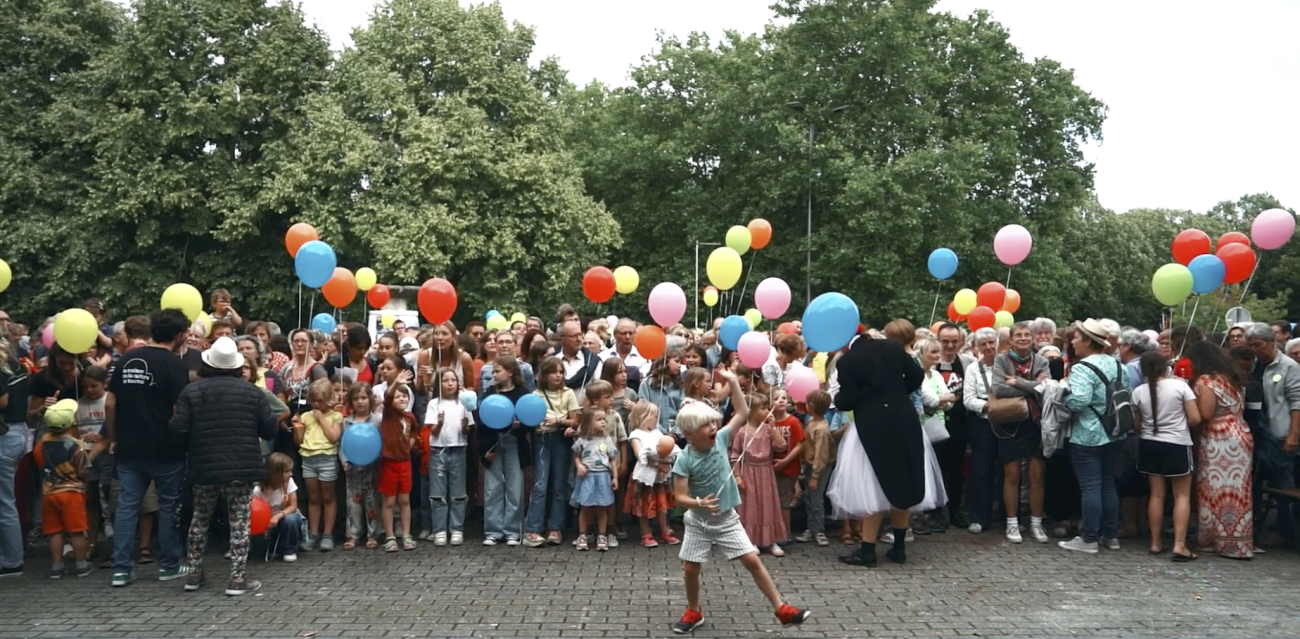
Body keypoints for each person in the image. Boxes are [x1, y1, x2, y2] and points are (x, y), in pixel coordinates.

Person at [670, 371, 810, 634]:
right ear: (689, 434)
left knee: (753, 560)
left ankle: (781, 608)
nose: (713, 428)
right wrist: (699, 503)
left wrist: (733, 383)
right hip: (698, 521)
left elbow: (743, 414)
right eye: (706, 426)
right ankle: (693, 610)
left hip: (726, 519)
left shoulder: (722, 439)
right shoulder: (684, 460)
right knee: (690, 568)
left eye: (713, 423)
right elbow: (679, 497)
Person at [170, 336, 279, 595]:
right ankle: (237, 579)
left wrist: (191, 446)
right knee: (239, 520)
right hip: (242, 466)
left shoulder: (191, 391)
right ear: (235, 365)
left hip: (203, 465)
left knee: (200, 518)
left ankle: (194, 574)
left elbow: (178, 428)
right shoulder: (252, 392)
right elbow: (269, 427)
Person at [829, 330, 933, 568]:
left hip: (871, 423)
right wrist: (897, 392)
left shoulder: (848, 360)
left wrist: (864, 397)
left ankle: (867, 550)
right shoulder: (894, 348)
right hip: (904, 418)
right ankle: (899, 547)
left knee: (871, 487)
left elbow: (846, 400)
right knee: (904, 478)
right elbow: (917, 375)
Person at [105, 308, 192, 587]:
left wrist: (114, 436)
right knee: (168, 507)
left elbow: (110, 402)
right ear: (178, 336)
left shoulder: (127, 359)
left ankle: (121, 569)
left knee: (127, 507)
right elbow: (179, 410)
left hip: (129, 446)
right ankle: (168, 565)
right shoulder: (175, 365)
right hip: (165, 448)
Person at [1060, 319, 1129, 555]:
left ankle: (1089, 538)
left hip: (1088, 434)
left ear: (1088, 341)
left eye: (1077, 337)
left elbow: (1078, 401)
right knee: (1108, 484)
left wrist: (1062, 393)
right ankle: (1111, 536)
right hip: (1115, 433)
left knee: (1090, 486)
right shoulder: (1120, 366)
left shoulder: (1082, 368)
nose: (1072, 341)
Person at [1185, 341, 1255, 559]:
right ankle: (1236, 541)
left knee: (1212, 488)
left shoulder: (1206, 381)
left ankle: (1212, 539)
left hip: (1219, 437)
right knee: (1238, 491)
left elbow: (1205, 413)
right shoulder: (1232, 378)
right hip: (1240, 433)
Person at [1132, 350, 1201, 561]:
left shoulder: (1138, 392)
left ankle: (1155, 542)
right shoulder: (1180, 386)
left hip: (1149, 444)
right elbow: (1195, 418)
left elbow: (1136, 425)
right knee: (1182, 495)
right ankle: (1180, 545)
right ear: (1165, 366)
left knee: (1156, 494)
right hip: (1177, 444)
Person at [991, 321, 1050, 544]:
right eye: (1019, 336)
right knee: (1012, 475)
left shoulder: (1042, 360)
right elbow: (999, 389)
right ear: (1012, 340)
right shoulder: (1001, 359)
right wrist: (1032, 384)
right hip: (1011, 423)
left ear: (1033, 338)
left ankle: (1036, 523)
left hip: (1036, 424)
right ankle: (1012, 523)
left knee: (1036, 476)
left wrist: (1017, 381)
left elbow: (1046, 390)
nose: (1024, 338)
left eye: (1027, 335)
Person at [1244, 322, 1300, 548]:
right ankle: (1252, 528)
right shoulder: (1253, 365)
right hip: (1256, 433)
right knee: (1254, 484)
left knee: (1283, 484)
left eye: (1258, 345)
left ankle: (1286, 531)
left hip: (1279, 433)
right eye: (1251, 346)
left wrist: (1293, 434)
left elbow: (1297, 401)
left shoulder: (1288, 366)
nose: (1255, 350)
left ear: (1271, 342)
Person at [34, 398, 94, 578]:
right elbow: (83, 470)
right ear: (71, 423)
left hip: (49, 492)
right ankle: (81, 564)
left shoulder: (42, 443)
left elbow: (38, 460)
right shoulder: (76, 446)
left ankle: (57, 566)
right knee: (76, 531)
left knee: (55, 531)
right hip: (71, 493)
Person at [523, 357, 579, 548]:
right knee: (540, 484)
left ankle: (556, 527)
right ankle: (533, 529)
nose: (558, 375)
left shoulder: (568, 393)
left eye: (561, 372)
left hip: (560, 439)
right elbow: (528, 421)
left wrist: (559, 421)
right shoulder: (535, 395)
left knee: (559, 485)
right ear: (544, 375)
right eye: (554, 372)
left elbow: (576, 421)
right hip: (542, 439)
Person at [478, 357, 531, 546]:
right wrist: (485, 450)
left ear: (510, 372)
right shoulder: (490, 393)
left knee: (514, 488)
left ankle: (513, 531)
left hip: (514, 444)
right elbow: (483, 422)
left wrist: (520, 426)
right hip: (494, 444)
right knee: (492, 488)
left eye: (498, 371)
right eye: (493, 371)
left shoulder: (522, 393)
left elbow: (529, 422)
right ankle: (493, 531)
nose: (494, 375)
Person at [730, 393, 788, 556]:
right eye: (763, 408)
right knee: (750, 506)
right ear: (752, 411)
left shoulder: (769, 430)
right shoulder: (742, 432)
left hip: (766, 472)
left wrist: (774, 428)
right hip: (749, 471)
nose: (767, 411)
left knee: (768, 505)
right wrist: (738, 476)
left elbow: (781, 446)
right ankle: (751, 540)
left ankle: (771, 540)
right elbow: (735, 455)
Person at [422, 368, 473, 547]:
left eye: (453, 380)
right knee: (438, 492)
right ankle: (440, 529)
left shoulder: (464, 403)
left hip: (459, 448)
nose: (450, 383)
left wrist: (466, 426)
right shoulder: (434, 403)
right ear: (439, 384)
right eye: (446, 380)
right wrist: (439, 424)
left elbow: (468, 430)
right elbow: (432, 431)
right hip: (438, 450)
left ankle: (456, 528)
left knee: (458, 492)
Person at [293, 378, 342, 552]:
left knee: (328, 497)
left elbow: (333, 437)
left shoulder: (336, 416)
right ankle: (313, 534)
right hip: (308, 459)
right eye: (312, 400)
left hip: (327, 458)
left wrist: (321, 419)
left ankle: (327, 534)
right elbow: (298, 442)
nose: (315, 404)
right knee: (313, 498)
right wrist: (297, 427)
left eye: (319, 401)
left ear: (328, 398)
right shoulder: (306, 416)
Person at [961, 327, 1001, 535]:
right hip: (982, 423)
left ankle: (1006, 517)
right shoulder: (973, 369)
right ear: (977, 348)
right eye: (983, 344)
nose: (988, 347)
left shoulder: (1007, 366)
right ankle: (979, 517)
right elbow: (968, 399)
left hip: (1007, 422)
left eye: (991, 342)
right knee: (981, 471)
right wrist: (988, 407)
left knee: (1007, 471)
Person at [624, 401, 678, 548]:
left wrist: (667, 461)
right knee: (644, 506)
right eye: (654, 416)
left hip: (659, 477)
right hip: (645, 477)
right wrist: (658, 465)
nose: (656, 419)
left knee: (662, 505)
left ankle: (664, 531)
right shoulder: (636, 434)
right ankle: (646, 532)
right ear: (643, 417)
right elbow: (639, 455)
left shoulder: (657, 432)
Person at [585, 380, 628, 544]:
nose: (612, 400)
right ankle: (589, 529)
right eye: (607, 397)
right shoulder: (587, 416)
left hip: (612, 465)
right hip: (591, 465)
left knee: (610, 498)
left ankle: (609, 530)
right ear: (596, 400)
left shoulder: (615, 416)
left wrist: (623, 462)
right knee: (589, 497)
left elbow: (623, 440)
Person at [570, 407, 619, 551]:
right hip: (587, 476)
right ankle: (582, 535)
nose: (603, 422)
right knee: (585, 507)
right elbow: (577, 456)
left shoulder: (607, 439)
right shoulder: (582, 440)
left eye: (604, 419)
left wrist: (615, 477)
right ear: (588, 422)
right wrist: (579, 466)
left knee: (602, 507)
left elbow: (613, 459)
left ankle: (602, 535)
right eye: (599, 420)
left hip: (603, 476)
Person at [377, 382, 417, 552]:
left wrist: (412, 442)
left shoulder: (410, 416)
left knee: (404, 500)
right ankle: (390, 536)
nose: (401, 399)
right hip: (389, 463)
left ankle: (406, 535)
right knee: (389, 501)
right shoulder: (389, 414)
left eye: (404, 396)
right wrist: (397, 382)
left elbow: (414, 431)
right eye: (398, 396)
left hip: (405, 463)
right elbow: (387, 398)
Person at [340, 384, 381, 550]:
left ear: (370, 399)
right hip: (352, 468)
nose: (360, 402)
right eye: (356, 398)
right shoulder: (346, 422)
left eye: (363, 398)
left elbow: (380, 442)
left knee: (372, 500)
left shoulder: (377, 420)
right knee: (353, 502)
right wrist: (344, 460)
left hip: (372, 467)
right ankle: (353, 534)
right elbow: (342, 444)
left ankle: (373, 533)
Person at [796, 390, 834, 546]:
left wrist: (815, 475)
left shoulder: (821, 429)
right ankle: (811, 528)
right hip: (810, 465)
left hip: (819, 468)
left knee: (817, 498)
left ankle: (818, 530)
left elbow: (821, 454)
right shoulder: (811, 423)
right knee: (809, 498)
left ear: (810, 406)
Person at [254, 453, 302, 562]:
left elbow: (293, 506)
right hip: (265, 522)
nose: (291, 474)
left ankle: (289, 550)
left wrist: (278, 516)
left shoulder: (289, 482)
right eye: (286, 471)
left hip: (282, 517)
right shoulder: (258, 489)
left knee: (292, 519)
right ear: (275, 473)